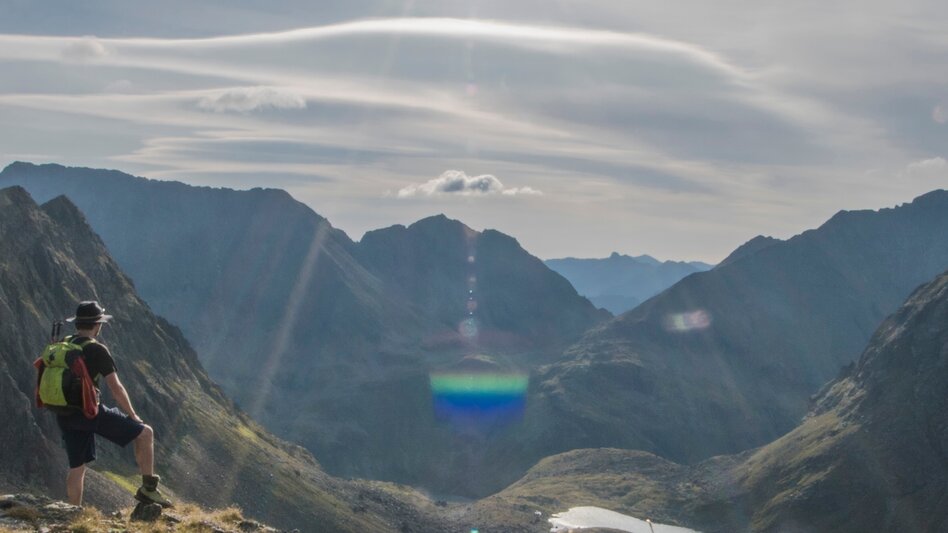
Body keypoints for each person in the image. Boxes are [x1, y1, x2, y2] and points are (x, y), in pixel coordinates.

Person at [56, 301, 172, 508]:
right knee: (145, 433)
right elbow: (116, 388)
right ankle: (148, 489)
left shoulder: (64, 343)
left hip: (64, 412)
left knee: (77, 467)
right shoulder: (96, 349)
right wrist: (133, 415)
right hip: (89, 412)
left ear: (77, 324)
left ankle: (73, 513)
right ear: (97, 324)